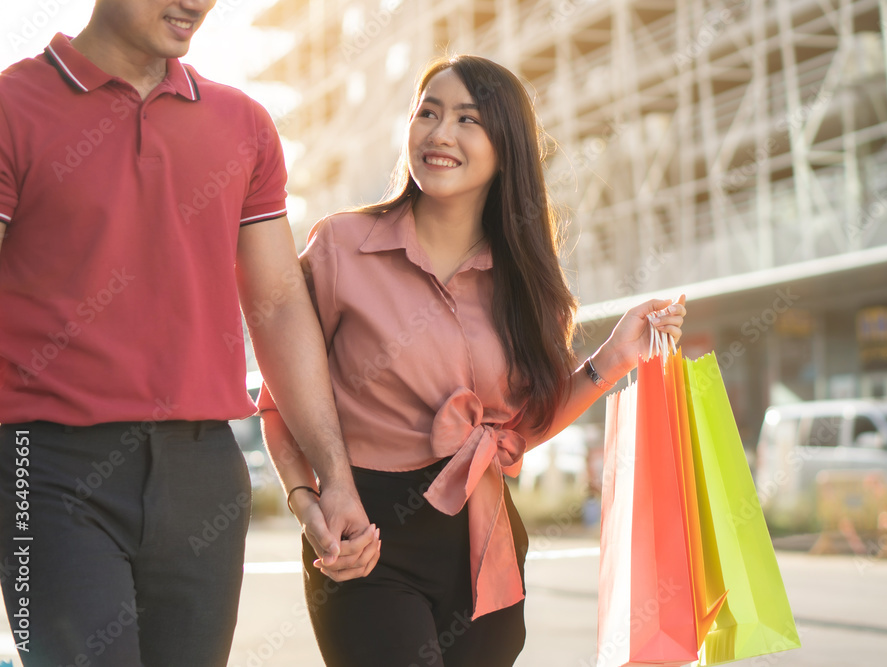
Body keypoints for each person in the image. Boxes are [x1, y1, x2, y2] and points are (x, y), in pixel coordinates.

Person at [259, 54, 687, 666]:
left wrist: (609, 360)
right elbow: (279, 400)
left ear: (505, 148)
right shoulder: (340, 249)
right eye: (427, 113)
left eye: (467, 119)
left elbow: (515, 434)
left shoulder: (523, 283)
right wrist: (310, 506)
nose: (440, 133)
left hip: (486, 552)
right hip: (366, 539)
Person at [0, 1, 377, 664]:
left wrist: (335, 474)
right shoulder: (11, 107)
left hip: (204, 472)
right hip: (42, 472)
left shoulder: (244, 124)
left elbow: (280, 304)